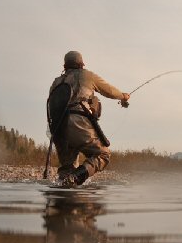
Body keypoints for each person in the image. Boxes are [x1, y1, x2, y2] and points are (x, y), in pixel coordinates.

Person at [48, 50, 130, 187]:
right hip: (79, 123)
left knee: (66, 169)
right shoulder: (87, 75)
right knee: (103, 155)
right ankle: (76, 177)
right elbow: (109, 90)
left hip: (58, 128)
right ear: (82, 64)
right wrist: (123, 96)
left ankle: (63, 188)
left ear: (64, 66)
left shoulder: (56, 82)